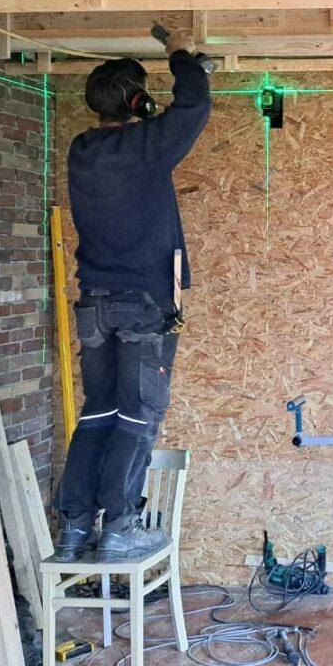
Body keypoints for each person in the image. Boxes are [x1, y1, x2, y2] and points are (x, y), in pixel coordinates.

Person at [51, 48, 212, 562]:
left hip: (96, 305)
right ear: (138, 101)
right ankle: (121, 528)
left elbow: (177, 115)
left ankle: (75, 529)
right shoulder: (145, 148)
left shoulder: (82, 149)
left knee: (98, 412)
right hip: (143, 307)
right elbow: (193, 106)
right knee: (138, 415)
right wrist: (184, 59)